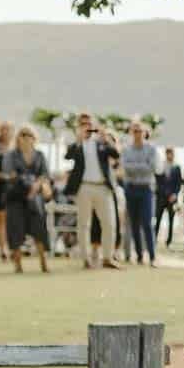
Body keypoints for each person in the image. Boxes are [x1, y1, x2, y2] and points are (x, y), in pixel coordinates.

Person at [64, 111, 121, 270]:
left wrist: (106, 139)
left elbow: (116, 154)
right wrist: (78, 140)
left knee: (109, 223)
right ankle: (86, 259)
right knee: (84, 224)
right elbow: (68, 156)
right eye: (83, 124)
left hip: (103, 186)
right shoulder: (77, 143)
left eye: (88, 124)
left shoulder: (101, 143)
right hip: (84, 187)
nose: (86, 127)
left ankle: (108, 257)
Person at [1, 125, 52, 273]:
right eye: (22, 134)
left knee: (40, 229)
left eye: (29, 134)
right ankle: (18, 265)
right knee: (15, 230)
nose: (25, 137)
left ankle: (44, 262)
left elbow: (44, 175)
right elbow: (10, 174)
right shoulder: (11, 155)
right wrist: (29, 185)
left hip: (35, 199)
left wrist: (36, 186)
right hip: (15, 197)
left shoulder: (40, 155)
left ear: (34, 138)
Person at [120, 121, 161, 265]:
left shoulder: (151, 149)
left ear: (145, 133)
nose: (137, 134)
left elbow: (152, 167)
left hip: (146, 189)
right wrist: (141, 167)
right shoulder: (126, 150)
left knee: (147, 223)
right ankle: (138, 255)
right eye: (135, 131)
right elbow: (125, 167)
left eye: (140, 131)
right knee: (134, 224)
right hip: (131, 188)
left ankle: (152, 256)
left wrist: (135, 167)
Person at [0, 119, 14, 261]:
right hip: (0, 188)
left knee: (12, 219)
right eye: (3, 129)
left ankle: (11, 247)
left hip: (13, 189)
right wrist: (5, 176)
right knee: (1, 220)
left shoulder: (15, 148)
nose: (6, 132)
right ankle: (4, 249)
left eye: (8, 129)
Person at [157, 146, 183, 248]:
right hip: (161, 197)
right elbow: (158, 181)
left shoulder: (177, 167)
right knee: (158, 218)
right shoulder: (161, 165)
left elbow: (179, 183)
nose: (170, 155)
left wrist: (175, 194)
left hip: (172, 198)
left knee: (171, 220)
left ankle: (169, 241)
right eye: (169, 153)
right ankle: (154, 238)